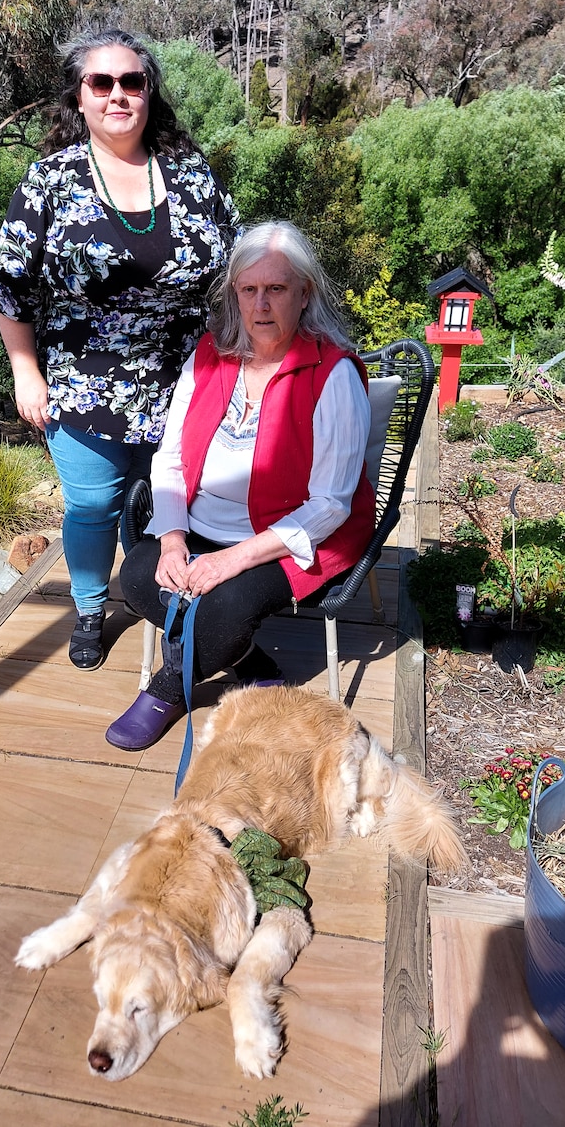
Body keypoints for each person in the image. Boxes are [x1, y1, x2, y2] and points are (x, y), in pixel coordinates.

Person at [0, 28, 240, 670]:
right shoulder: (50, 180)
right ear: (79, 96)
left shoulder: (190, 173)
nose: (118, 95)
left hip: (188, 379)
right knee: (96, 504)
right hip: (82, 381)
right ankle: (92, 607)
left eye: (132, 82)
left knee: (180, 501)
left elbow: (238, 265)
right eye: (102, 83)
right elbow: (9, 282)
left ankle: (181, 608)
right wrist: (25, 371)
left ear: (150, 92)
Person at [105, 220, 376, 751]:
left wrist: (231, 561)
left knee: (225, 608)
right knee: (139, 578)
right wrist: (175, 540)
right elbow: (172, 457)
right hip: (203, 525)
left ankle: (169, 689)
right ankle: (250, 660)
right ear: (235, 295)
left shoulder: (333, 373)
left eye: (276, 289)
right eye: (248, 290)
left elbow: (330, 505)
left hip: (288, 540)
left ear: (305, 294)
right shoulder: (210, 355)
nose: (261, 304)